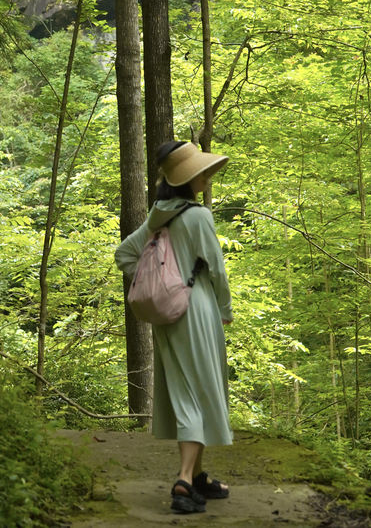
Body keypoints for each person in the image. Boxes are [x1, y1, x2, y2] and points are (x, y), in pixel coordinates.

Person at [115, 140, 233, 514]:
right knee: (197, 394)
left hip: (167, 315)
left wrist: (156, 285)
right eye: (201, 172)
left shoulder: (159, 213)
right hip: (196, 309)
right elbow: (215, 268)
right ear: (189, 177)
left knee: (186, 389)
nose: (206, 177)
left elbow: (124, 254)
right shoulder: (198, 216)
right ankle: (184, 479)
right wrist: (225, 308)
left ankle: (198, 477)